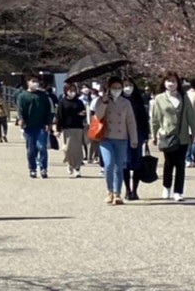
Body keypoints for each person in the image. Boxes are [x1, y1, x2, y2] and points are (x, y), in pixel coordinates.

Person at [149, 71, 195, 201]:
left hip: (182, 135)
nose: (171, 83)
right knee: (169, 163)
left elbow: (191, 116)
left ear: (178, 83)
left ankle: (178, 191)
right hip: (167, 135)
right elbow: (155, 118)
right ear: (164, 83)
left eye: (174, 81)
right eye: (168, 81)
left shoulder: (184, 97)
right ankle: (166, 187)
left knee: (180, 164)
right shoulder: (159, 98)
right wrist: (154, 134)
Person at [92, 76, 138, 205]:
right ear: (108, 88)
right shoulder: (101, 101)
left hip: (121, 137)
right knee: (108, 164)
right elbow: (97, 116)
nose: (117, 90)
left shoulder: (126, 103)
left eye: (119, 88)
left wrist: (133, 138)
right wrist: (104, 102)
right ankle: (109, 190)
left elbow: (131, 122)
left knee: (119, 166)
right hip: (106, 137)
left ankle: (117, 193)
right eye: (114, 88)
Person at [16, 76, 55, 179]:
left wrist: (48, 123)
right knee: (31, 150)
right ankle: (32, 168)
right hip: (29, 127)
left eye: (37, 81)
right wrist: (21, 119)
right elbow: (20, 110)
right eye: (33, 81)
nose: (35, 83)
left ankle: (43, 168)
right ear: (28, 82)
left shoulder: (43, 96)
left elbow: (48, 110)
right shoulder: (22, 96)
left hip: (41, 126)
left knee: (42, 147)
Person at [124, 82, 152, 201]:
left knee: (137, 164)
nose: (128, 87)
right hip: (123, 136)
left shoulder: (138, 102)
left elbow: (144, 120)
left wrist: (146, 136)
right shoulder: (119, 101)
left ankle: (135, 190)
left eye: (130, 85)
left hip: (138, 135)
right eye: (125, 85)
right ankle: (127, 189)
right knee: (124, 164)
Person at [55, 85, 88, 178]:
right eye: (70, 90)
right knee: (67, 148)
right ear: (66, 91)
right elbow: (59, 116)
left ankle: (77, 168)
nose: (72, 92)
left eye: (74, 90)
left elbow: (84, 113)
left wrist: (82, 115)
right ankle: (70, 163)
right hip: (67, 128)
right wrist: (58, 129)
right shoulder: (62, 102)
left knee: (77, 149)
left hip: (78, 127)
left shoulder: (79, 102)